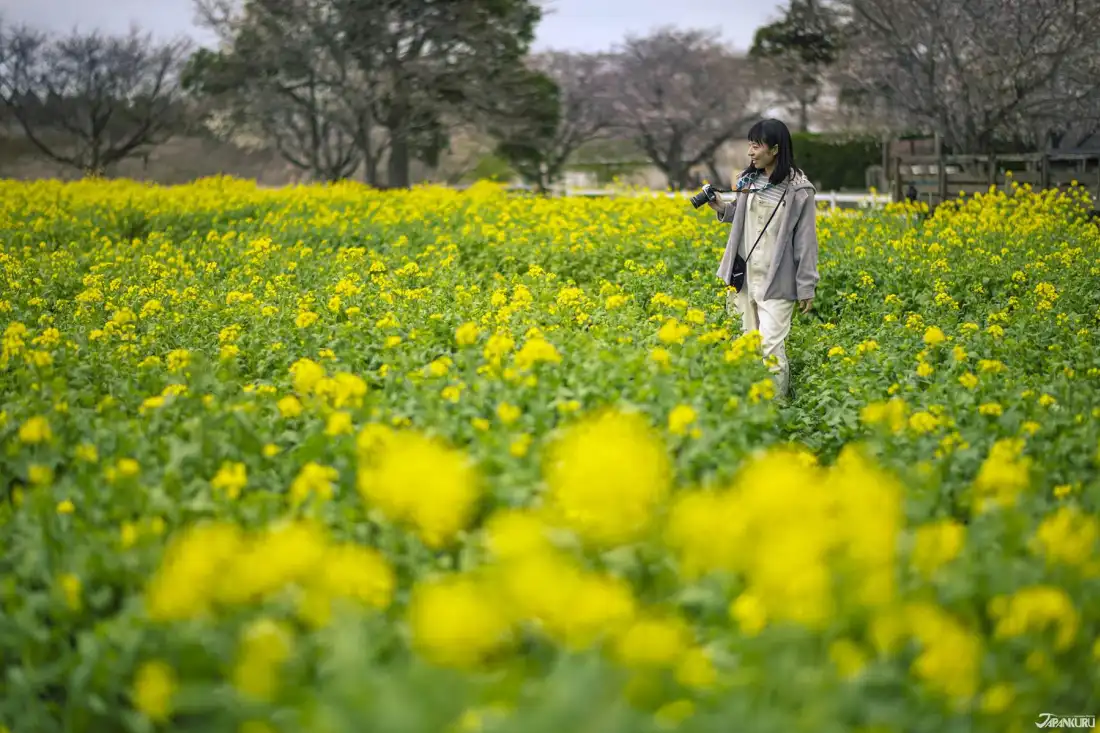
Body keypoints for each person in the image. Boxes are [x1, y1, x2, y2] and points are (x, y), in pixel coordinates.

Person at [709, 118, 819, 400]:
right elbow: (743, 219)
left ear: (775, 149)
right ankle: (748, 405)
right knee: (745, 345)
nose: (750, 152)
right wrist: (721, 207)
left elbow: (806, 242)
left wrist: (806, 285)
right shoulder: (749, 181)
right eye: (750, 145)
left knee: (770, 347)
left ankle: (775, 408)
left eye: (756, 145)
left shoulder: (799, 190)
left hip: (777, 281)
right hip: (744, 277)